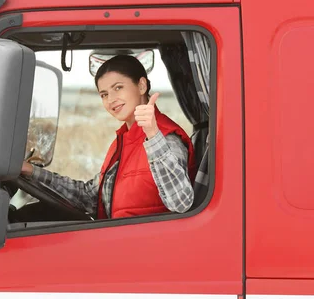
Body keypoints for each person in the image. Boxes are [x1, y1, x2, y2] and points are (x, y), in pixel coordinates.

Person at [20, 55, 196, 219]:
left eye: (118, 88)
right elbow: (91, 197)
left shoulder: (167, 139)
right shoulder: (123, 141)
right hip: (115, 241)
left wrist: (153, 135)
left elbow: (181, 202)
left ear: (141, 86)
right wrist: (31, 171)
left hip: (147, 246)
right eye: (104, 94)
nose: (111, 99)